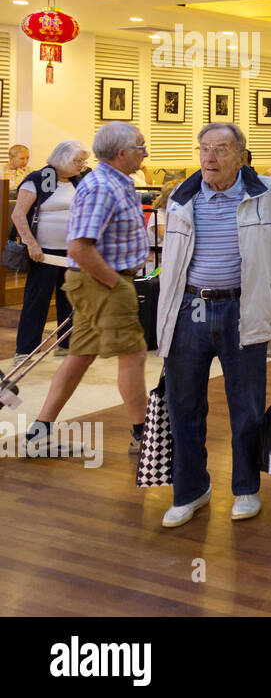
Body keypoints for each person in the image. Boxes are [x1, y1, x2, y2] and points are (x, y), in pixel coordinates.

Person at [155, 122, 271, 528]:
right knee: (182, 406)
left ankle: (246, 488)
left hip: (244, 310)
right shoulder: (181, 197)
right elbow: (170, 266)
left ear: (241, 155)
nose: (210, 157)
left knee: (247, 407)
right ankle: (190, 491)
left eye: (220, 149)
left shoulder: (267, 196)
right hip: (189, 311)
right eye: (204, 149)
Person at [24, 123, 149, 457]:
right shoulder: (101, 187)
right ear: (122, 153)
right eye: (140, 146)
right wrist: (113, 283)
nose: (145, 152)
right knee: (134, 355)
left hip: (102, 280)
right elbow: (80, 248)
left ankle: (41, 430)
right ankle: (143, 435)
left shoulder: (114, 182)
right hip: (104, 282)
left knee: (79, 356)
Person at [11, 140, 90, 362]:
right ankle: (25, 350)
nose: (81, 165)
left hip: (72, 251)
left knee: (69, 298)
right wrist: (31, 244)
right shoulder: (39, 179)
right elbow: (18, 215)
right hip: (43, 252)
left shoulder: (78, 180)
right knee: (37, 299)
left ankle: (66, 344)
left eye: (83, 161)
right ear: (62, 159)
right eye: (77, 161)